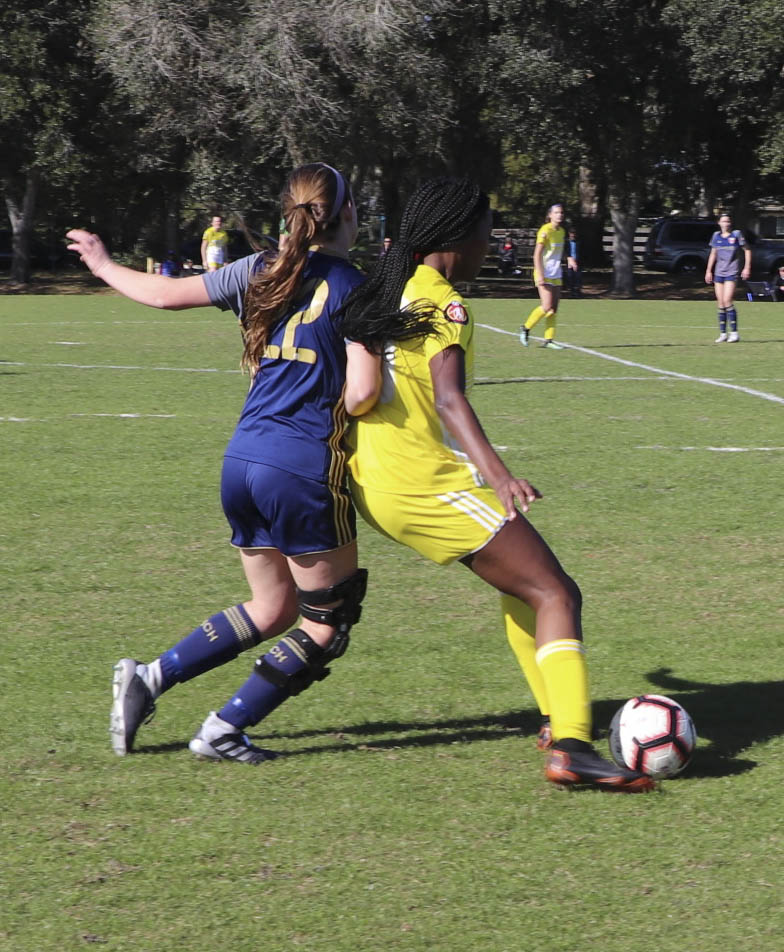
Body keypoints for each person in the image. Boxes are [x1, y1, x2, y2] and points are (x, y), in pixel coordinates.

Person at [338, 177, 654, 792]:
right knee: (558, 591)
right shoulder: (445, 304)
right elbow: (451, 400)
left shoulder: (394, 286)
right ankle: (571, 747)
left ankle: (556, 716)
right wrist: (500, 475)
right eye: (486, 233)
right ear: (457, 237)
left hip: (377, 477)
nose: (489, 245)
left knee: (525, 589)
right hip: (423, 481)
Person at [67, 162, 379, 764]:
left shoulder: (260, 271)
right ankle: (223, 729)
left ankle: (150, 678)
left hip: (242, 460)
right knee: (325, 622)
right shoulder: (358, 286)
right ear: (347, 216)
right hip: (302, 468)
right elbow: (363, 395)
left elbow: (163, 294)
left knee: (272, 608)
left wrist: (104, 264)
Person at [519, 203, 575, 350]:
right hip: (544, 272)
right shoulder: (545, 231)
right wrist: (540, 274)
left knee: (554, 309)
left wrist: (569, 258)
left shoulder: (562, 231)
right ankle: (525, 328)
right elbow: (537, 254)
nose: (560, 215)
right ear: (550, 215)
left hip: (556, 272)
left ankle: (548, 339)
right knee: (546, 306)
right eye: (556, 212)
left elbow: (565, 247)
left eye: (561, 212)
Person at [705, 212, 751, 342]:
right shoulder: (716, 236)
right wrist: (709, 271)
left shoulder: (736, 234)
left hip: (732, 272)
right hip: (719, 273)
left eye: (728, 221)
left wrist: (747, 267)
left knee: (727, 300)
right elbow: (713, 254)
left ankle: (734, 333)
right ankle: (723, 334)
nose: (726, 223)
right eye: (723, 221)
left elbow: (747, 250)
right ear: (719, 223)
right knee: (720, 303)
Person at [565, 227, 582, 297]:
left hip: (577, 261)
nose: (573, 236)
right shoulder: (567, 243)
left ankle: (577, 292)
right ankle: (571, 292)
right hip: (569, 262)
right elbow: (565, 252)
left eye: (574, 234)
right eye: (571, 235)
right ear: (569, 234)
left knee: (578, 277)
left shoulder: (578, 242)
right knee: (570, 277)